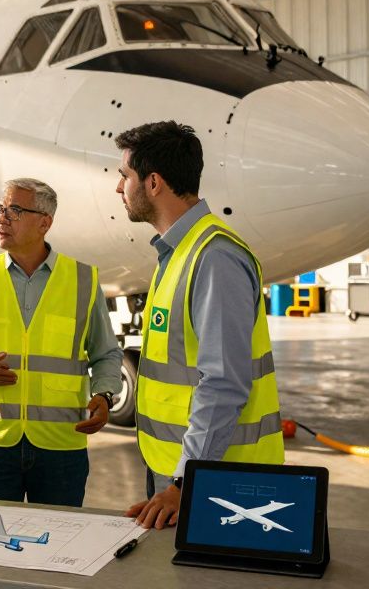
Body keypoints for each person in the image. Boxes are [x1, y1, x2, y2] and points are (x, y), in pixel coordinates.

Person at [114, 121, 283, 530]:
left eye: (125, 177)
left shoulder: (214, 257)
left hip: (218, 479)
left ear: (153, 183)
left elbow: (223, 382)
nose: (119, 189)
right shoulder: (179, 252)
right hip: (182, 469)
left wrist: (183, 480)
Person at [0, 178, 122, 507]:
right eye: (1, 209)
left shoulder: (82, 281)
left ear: (44, 222)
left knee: (59, 545)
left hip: (61, 447)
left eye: (15, 210)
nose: (2, 218)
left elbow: (106, 353)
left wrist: (104, 394)